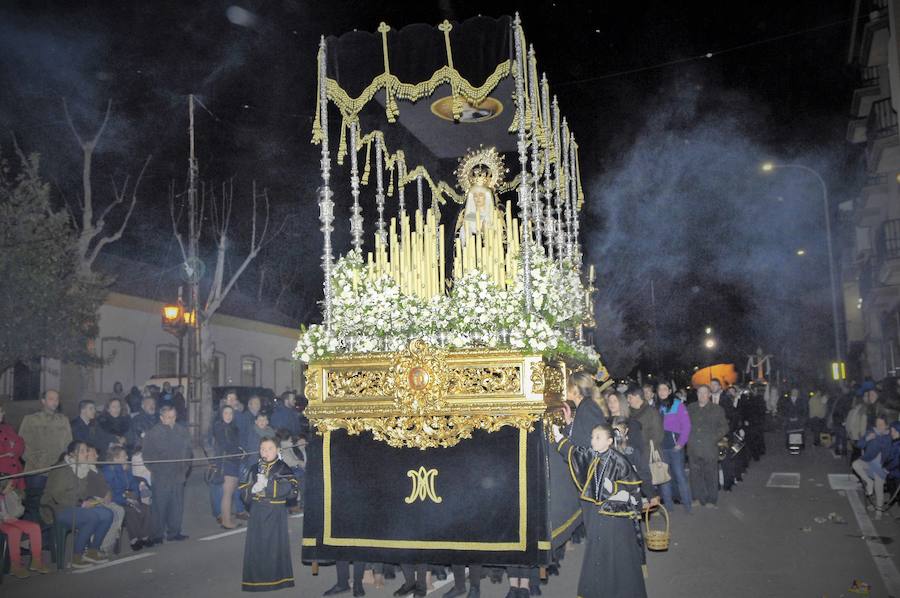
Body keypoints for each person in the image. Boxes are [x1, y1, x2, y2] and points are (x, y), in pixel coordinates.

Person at [553, 419, 647, 598]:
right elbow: (574, 454)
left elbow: (633, 491)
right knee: (597, 551)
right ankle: (598, 590)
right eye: (592, 437)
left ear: (609, 441)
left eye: (598, 437)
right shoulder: (592, 456)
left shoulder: (620, 461)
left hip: (614, 518)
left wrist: (615, 490)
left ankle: (619, 591)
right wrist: (559, 437)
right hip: (596, 516)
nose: (593, 441)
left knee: (614, 554)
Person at [40, 441, 114, 568]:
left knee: (107, 514)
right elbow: (57, 495)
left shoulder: (82, 469)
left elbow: (83, 493)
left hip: (75, 506)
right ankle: (77, 556)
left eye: (86, 451)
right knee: (91, 517)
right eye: (83, 451)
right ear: (73, 454)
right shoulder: (62, 468)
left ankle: (92, 551)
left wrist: (90, 500)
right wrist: (81, 504)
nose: (86, 454)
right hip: (58, 508)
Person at [239, 436, 299, 592]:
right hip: (258, 512)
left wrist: (267, 485)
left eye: (270, 449)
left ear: (278, 450)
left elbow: (292, 491)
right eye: (263, 449)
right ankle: (256, 581)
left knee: (273, 547)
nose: (266, 452)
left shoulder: (282, 467)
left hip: (275, 512)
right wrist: (252, 489)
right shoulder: (254, 468)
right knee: (257, 546)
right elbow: (243, 490)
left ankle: (277, 579)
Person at [142, 405, 193, 542]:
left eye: (174, 417)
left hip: (178, 475)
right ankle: (157, 535)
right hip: (161, 476)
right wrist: (157, 470)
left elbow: (189, 452)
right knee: (159, 506)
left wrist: (185, 468)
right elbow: (146, 456)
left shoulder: (182, 431)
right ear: (161, 418)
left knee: (177, 506)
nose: (171, 420)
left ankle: (174, 532)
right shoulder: (153, 433)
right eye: (168, 417)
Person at [19, 389, 72, 517]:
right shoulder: (31, 420)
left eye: (57, 399)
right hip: (37, 471)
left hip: (57, 471)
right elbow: (22, 445)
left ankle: (49, 536)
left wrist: (63, 464)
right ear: (43, 401)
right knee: (34, 506)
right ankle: (33, 535)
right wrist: (37, 462)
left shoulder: (63, 420)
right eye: (51, 399)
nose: (55, 402)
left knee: (52, 508)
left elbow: (69, 445)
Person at [102, 445, 154, 550]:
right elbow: (112, 491)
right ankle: (134, 539)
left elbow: (134, 484)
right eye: (124, 456)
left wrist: (134, 495)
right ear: (115, 458)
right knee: (130, 511)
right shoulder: (109, 471)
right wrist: (126, 499)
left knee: (145, 507)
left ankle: (145, 536)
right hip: (116, 499)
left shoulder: (126, 468)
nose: (127, 458)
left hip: (127, 496)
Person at [686, 385, 729, 508]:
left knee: (711, 475)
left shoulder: (717, 409)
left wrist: (714, 438)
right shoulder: (691, 408)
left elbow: (725, 427)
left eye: (705, 393)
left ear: (709, 395)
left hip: (709, 448)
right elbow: (683, 425)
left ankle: (711, 499)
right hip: (693, 447)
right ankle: (697, 498)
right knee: (694, 475)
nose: (702, 395)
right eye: (700, 393)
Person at [0, 478, 49, 577]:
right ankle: (15, 565)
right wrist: (5, 517)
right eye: (10, 486)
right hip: (2, 522)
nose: (12, 487)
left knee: (34, 527)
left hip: (10, 519)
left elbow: (17, 513)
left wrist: (16, 498)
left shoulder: (8, 495)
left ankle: (37, 560)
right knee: (14, 531)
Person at [658, 382, 693, 513]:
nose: (662, 391)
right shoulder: (658, 406)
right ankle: (668, 506)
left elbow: (687, 426)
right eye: (659, 389)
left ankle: (687, 505)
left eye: (664, 389)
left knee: (680, 477)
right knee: (664, 478)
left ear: (669, 391)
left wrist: (680, 443)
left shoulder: (678, 405)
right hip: (662, 448)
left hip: (675, 448)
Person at [852, 415, 893, 519]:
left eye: (882, 424)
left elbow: (887, 450)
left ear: (887, 425)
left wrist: (883, 436)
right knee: (855, 464)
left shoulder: (889, 437)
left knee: (878, 488)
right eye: (877, 424)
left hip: (881, 467)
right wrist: (867, 438)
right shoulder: (871, 432)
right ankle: (869, 482)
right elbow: (859, 445)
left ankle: (879, 511)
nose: (879, 426)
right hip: (869, 462)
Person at [213, 404, 243, 529]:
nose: (229, 416)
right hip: (227, 462)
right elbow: (225, 445)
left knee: (230, 492)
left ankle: (228, 519)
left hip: (233, 461)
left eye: (231, 413)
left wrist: (240, 451)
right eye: (226, 413)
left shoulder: (232, 427)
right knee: (227, 493)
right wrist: (239, 452)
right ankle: (226, 521)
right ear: (221, 414)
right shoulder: (220, 427)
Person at [0, 403, 26, 491]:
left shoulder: (7, 428)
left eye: (1, 411)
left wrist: (11, 452)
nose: (2, 414)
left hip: (14, 475)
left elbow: (20, 443)